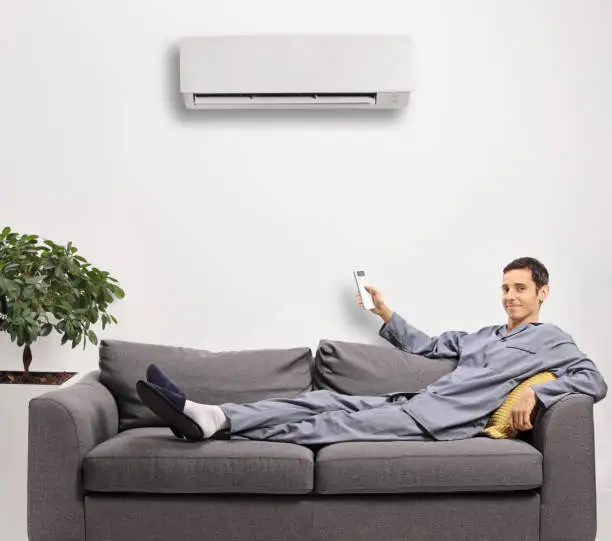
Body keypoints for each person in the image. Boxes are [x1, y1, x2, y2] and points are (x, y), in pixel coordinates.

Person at [136, 257, 608, 444]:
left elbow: (593, 379)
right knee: (319, 400)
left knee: (329, 424)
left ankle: (211, 430)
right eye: (505, 287)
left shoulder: (552, 340)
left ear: (542, 293)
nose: (510, 296)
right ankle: (212, 415)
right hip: (413, 404)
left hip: (439, 422)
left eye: (520, 289)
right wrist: (384, 312)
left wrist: (536, 395)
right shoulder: (483, 334)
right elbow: (427, 344)